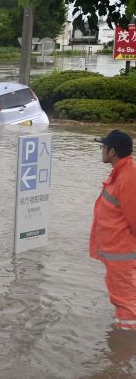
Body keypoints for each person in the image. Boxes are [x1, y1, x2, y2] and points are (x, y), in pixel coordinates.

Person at [90, 129, 136, 330]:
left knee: (125, 302)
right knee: (123, 298)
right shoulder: (121, 172)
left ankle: (122, 350)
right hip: (118, 252)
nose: (101, 150)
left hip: (122, 254)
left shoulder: (128, 177)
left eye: (103, 147)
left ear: (112, 152)